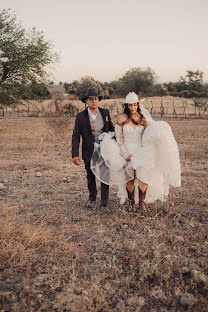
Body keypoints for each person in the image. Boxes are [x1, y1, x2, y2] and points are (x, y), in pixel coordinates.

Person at [91, 92, 181, 212]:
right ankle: (131, 202)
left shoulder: (143, 119)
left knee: (143, 176)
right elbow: (119, 139)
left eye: (134, 105)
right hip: (127, 150)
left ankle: (142, 203)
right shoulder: (122, 119)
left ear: (138, 105)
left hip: (141, 150)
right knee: (130, 177)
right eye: (130, 105)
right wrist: (124, 153)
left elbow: (150, 133)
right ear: (126, 106)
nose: (132, 108)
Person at [72, 87, 114, 212]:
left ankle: (104, 203)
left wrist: (116, 144)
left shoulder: (105, 113)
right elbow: (76, 136)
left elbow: (111, 129)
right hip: (88, 150)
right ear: (86, 101)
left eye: (95, 99)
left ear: (98, 100)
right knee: (90, 175)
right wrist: (75, 154)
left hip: (104, 149)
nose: (94, 101)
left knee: (105, 174)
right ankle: (92, 197)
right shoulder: (80, 116)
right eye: (91, 99)